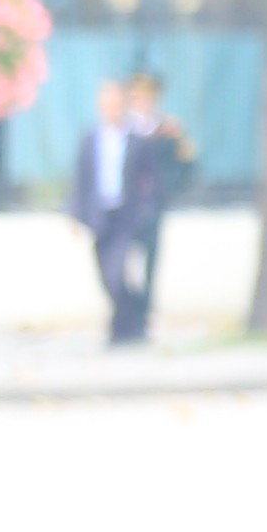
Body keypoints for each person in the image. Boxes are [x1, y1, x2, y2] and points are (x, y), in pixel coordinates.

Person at [77, 69, 191, 350]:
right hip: (106, 214)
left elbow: (173, 171)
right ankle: (128, 322)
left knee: (143, 269)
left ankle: (134, 322)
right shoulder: (95, 136)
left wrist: (156, 202)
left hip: (141, 213)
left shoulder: (164, 130)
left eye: (148, 97)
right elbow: (82, 179)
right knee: (112, 273)